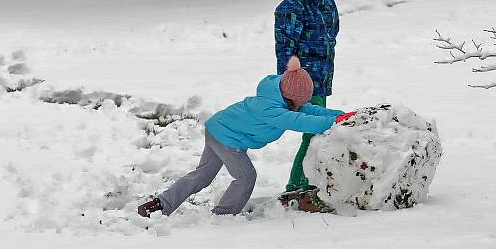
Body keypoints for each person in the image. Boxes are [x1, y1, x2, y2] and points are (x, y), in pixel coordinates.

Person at [137, 57, 348, 218]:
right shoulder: (270, 109)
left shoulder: (279, 95)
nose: (302, 105)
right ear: (290, 96)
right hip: (226, 138)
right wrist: (334, 122)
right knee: (246, 177)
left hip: (217, 128)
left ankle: (159, 205)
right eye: (299, 101)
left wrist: (342, 116)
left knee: (202, 176)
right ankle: (223, 217)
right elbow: (302, 121)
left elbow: (311, 110)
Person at [274, 0, 340, 212]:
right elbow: (285, 48)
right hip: (302, 82)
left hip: (321, 76)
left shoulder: (326, 1)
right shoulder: (291, 7)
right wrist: (292, 77)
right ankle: (297, 189)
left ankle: (302, 187)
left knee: (316, 131)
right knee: (313, 130)